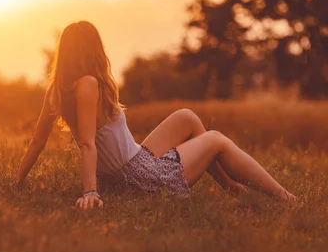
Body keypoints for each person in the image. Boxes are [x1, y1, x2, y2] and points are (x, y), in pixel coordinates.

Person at [15, 21, 298, 209]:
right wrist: (90, 192)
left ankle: (231, 187)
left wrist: (17, 183)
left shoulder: (57, 90)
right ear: (93, 50)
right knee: (216, 140)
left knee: (186, 116)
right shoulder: (88, 84)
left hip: (132, 162)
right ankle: (287, 199)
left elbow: (36, 142)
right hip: (137, 177)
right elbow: (87, 144)